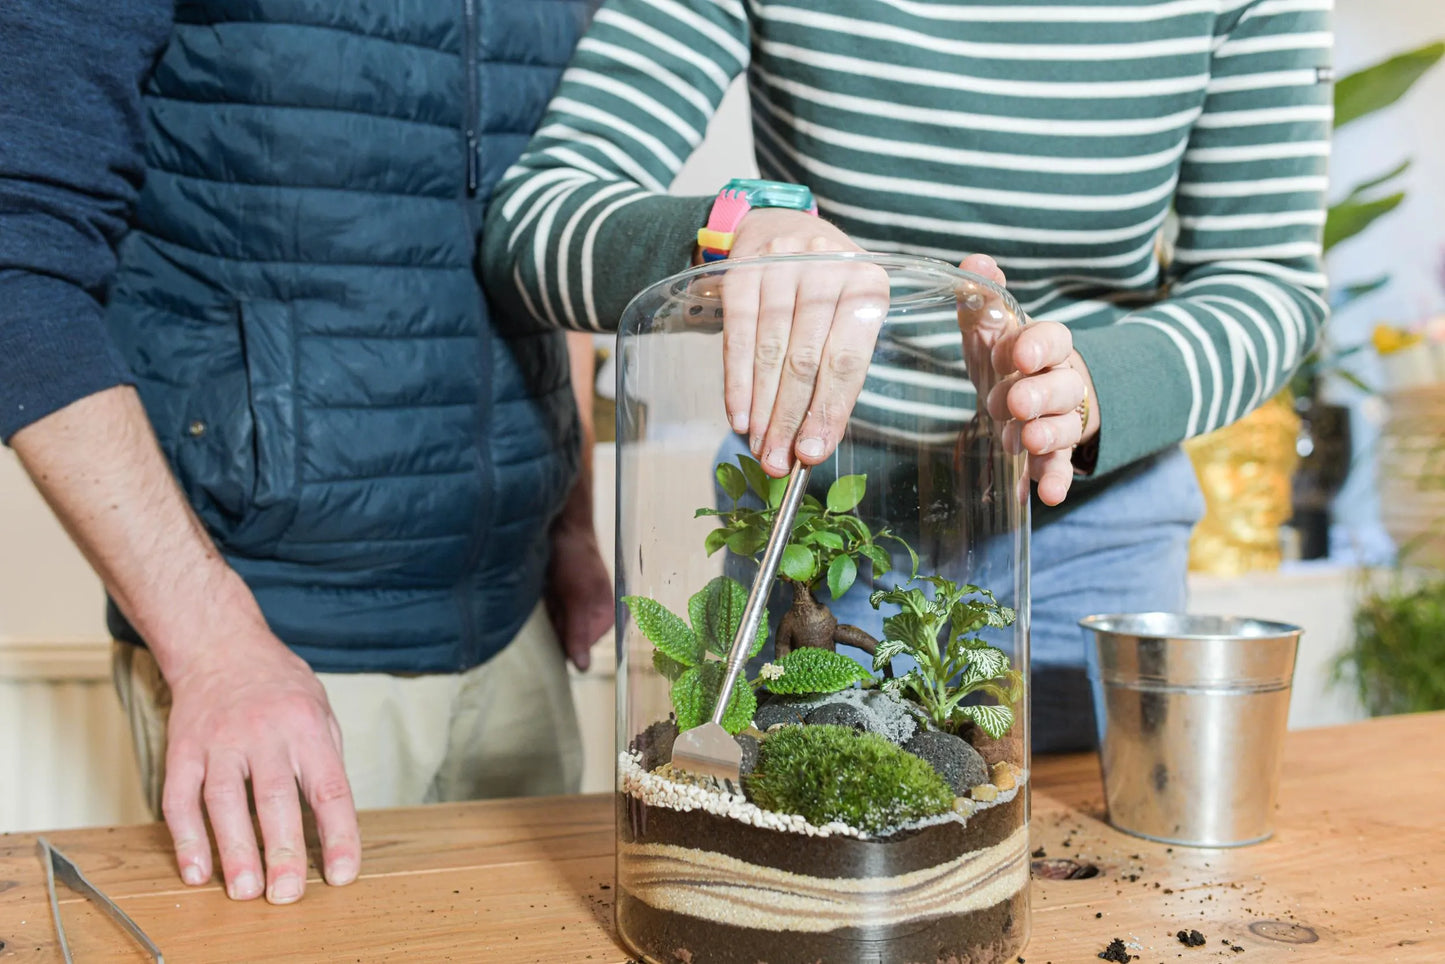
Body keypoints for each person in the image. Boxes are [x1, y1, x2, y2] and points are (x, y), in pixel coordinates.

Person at [481, 0, 1332, 749]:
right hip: (815, 523)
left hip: (1089, 539)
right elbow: (530, 222)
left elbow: (1270, 280)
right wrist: (734, 238)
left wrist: (1087, 388)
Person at [1, 1, 613, 905]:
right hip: (270, 663)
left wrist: (570, 515)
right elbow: (21, 259)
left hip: (517, 632)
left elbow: (551, 226)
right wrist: (213, 648)